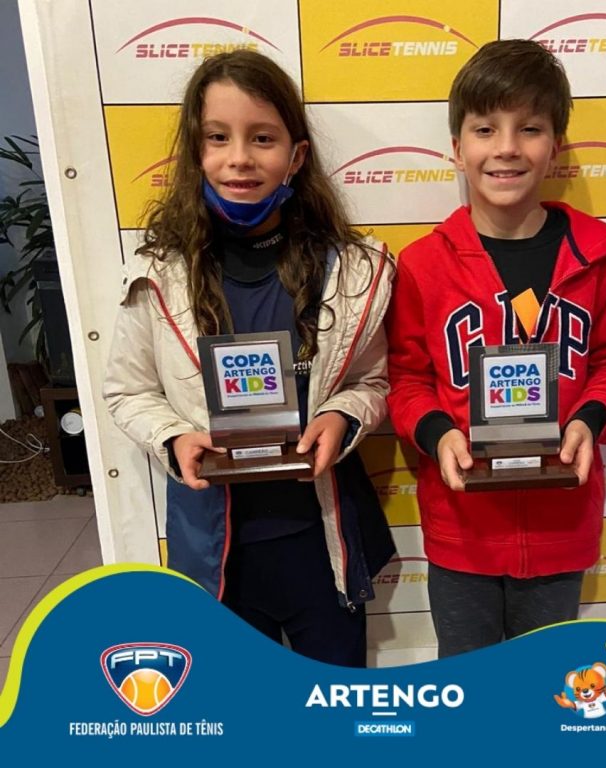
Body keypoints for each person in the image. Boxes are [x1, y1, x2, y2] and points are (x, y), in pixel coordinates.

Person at [103, 50, 395, 667]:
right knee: (240, 707)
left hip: (322, 545)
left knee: (335, 706)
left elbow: (371, 381)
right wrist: (174, 437)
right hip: (218, 553)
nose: (239, 157)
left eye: (262, 138)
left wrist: (342, 416)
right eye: (218, 137)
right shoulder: (159, 274)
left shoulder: (350, 271)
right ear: (196, 151)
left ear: (296, 155)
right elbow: (129, 391)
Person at [386, 40, 606, 658]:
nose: (506, 147)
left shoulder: (601, 259)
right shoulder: (424, 266)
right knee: (469, 686)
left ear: (554, 147)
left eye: (529, 129)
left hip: (562, 526)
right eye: (485, 129)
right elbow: (407, 378)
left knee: (545, 684)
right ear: (458, 148)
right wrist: (437, 434)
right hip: (463, 532)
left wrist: (591, 418)